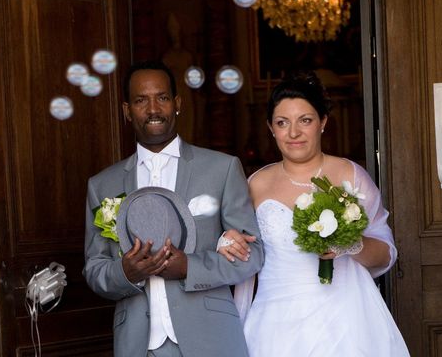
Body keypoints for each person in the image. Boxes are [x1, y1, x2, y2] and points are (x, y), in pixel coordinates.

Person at [218, 72, 409, 356]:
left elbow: (385, 253)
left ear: (323, 123)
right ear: (271, 128)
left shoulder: (349, 175)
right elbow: (244, 250)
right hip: (276, 321)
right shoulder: (255, 184)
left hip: (346, 317)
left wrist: (350, 244)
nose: (293, 133)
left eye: (305, 120)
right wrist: (227, 242)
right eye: (282, 123)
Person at [83, 60, 264, 357]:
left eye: (162, 98)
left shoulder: (222, 169)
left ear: (177, 104)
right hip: (139, 345)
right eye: (141, 100)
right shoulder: (102, 185)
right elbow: (95, 268)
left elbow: (253, 255)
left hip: (210, 339)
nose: (153, 109)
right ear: (127, 111)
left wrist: (189, 267)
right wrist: (125, 272)